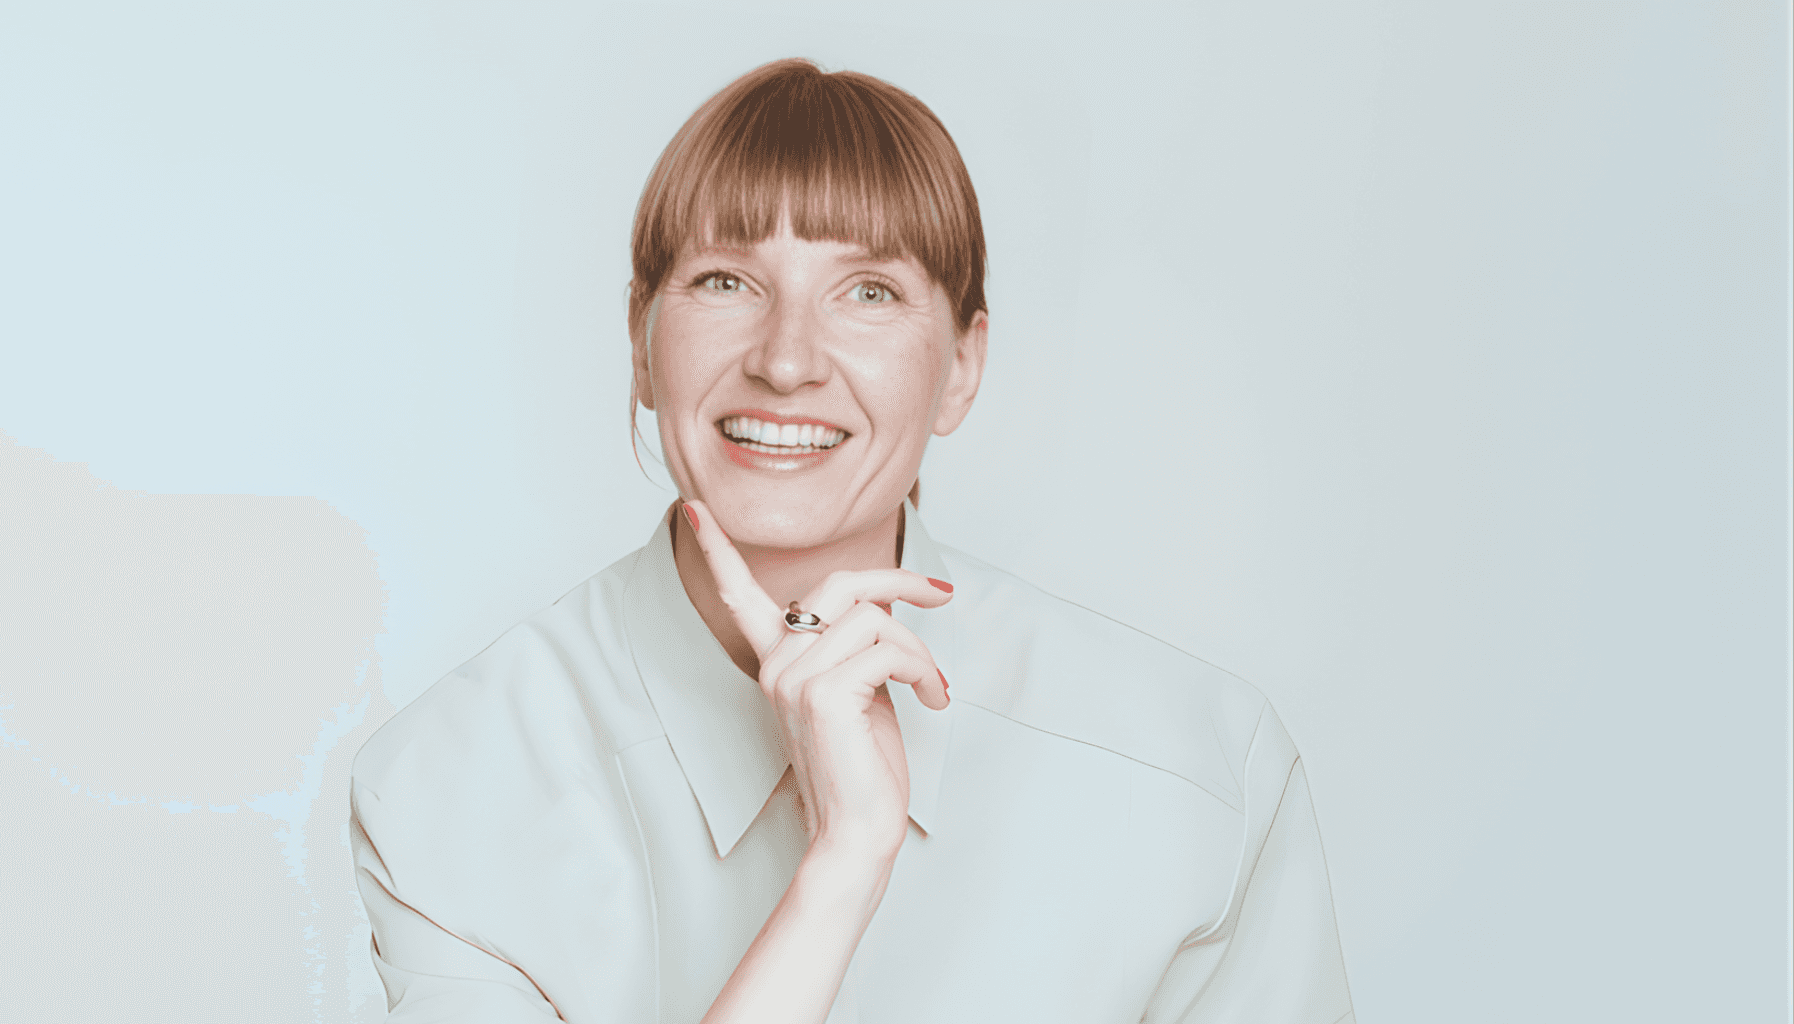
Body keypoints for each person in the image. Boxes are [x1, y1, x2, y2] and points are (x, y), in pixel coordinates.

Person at [350, 58, 1354, 1024]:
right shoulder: (448, 784)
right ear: (639, 341)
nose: (785, 360)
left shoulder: (1193, 771)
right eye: (723, 282)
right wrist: (842, 866)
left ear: (961, 364)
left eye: (867, 291)